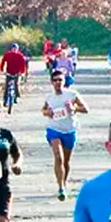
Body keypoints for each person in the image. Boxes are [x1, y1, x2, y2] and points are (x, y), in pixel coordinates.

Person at [41, 69, 90, 200]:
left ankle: (64, 181)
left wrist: (74, 108)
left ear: (64, 81)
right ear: (51, 82)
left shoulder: (72, 94)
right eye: (55, 80)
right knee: (59, 157)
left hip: (69, 130)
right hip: (53, 130)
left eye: (60, 80)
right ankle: (60, 187)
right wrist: (48, 112)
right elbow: (43, 110)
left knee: (66, 161)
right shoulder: (49, 97)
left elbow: (86, 109)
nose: (58, 83)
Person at [0, 41, 30, 114]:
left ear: (17, 49)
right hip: (9, 73)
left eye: (15, 49)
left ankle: (16, 97)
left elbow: (23, 66)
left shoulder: (20, 56)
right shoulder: (7, 55)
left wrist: (22, 73)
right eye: (13, 48)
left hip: (17, 73)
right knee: (7, 87)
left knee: (16, 85)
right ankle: (5, 100)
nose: (14, 50)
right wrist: (2, 70)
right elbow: (2, 62)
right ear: (11, 49)